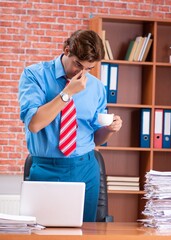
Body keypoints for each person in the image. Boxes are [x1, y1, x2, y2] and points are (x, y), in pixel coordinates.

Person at [18, 30, 122, 222]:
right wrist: (67, 94)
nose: (81, 73)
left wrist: (108, 130)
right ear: (66, 50)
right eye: (78, 64)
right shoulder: (35, 75)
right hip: (46, 168)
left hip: (85, 168)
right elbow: (34, 124)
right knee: (41, 232)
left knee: (85, 231)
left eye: (89, 69)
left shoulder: (97, 87)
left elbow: (96, 138)